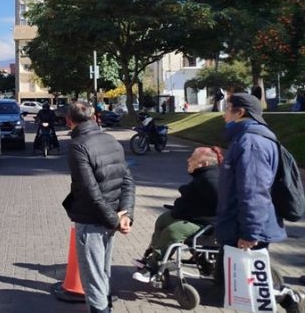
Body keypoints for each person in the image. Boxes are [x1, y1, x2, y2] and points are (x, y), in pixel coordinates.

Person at [62, 101, 135, 313]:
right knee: (102, 272)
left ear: (69, 121)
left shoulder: (78, 146)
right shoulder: (111, 140)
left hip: (93, 220)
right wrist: (125, 215)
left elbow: (90, 191)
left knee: (93, 278)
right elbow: (128, 180)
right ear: (94, 117)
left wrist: (116, 219)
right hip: (110, 217)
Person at [215, 93, 286, 284]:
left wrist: (250, 233)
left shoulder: (251, 142)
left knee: (241, 287)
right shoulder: (248, 138)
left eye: (226, 109)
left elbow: (253, 191)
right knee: (228, 283)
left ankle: (289, 299)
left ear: (239, 113)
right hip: (238, 224)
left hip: (243, 229)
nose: (224, 115)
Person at [132, 146, 221, 283]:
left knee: (174, 231)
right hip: (192, 217)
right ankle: (153, 255)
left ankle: (154, 267)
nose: (188, 159)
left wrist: (193, 214)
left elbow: (221, 206)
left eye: (193, 158)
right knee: (163, 219)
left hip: (207, 224)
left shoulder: (211, 180)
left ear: (204, 164)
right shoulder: (202, 176)